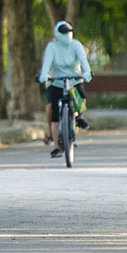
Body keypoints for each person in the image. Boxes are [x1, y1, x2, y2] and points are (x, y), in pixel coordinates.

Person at [38, 20, 93, 155]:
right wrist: (44, 75)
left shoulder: (76, 45)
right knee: (55, 114)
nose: (66, 35)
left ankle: (78, 117)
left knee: (82, 100)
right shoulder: (52, 47)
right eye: (64, 32)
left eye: (68, 32)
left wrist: (87, 73)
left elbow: (83, 61)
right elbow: (47, 63)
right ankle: (57, 146)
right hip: (56, 81)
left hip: (74, 79)